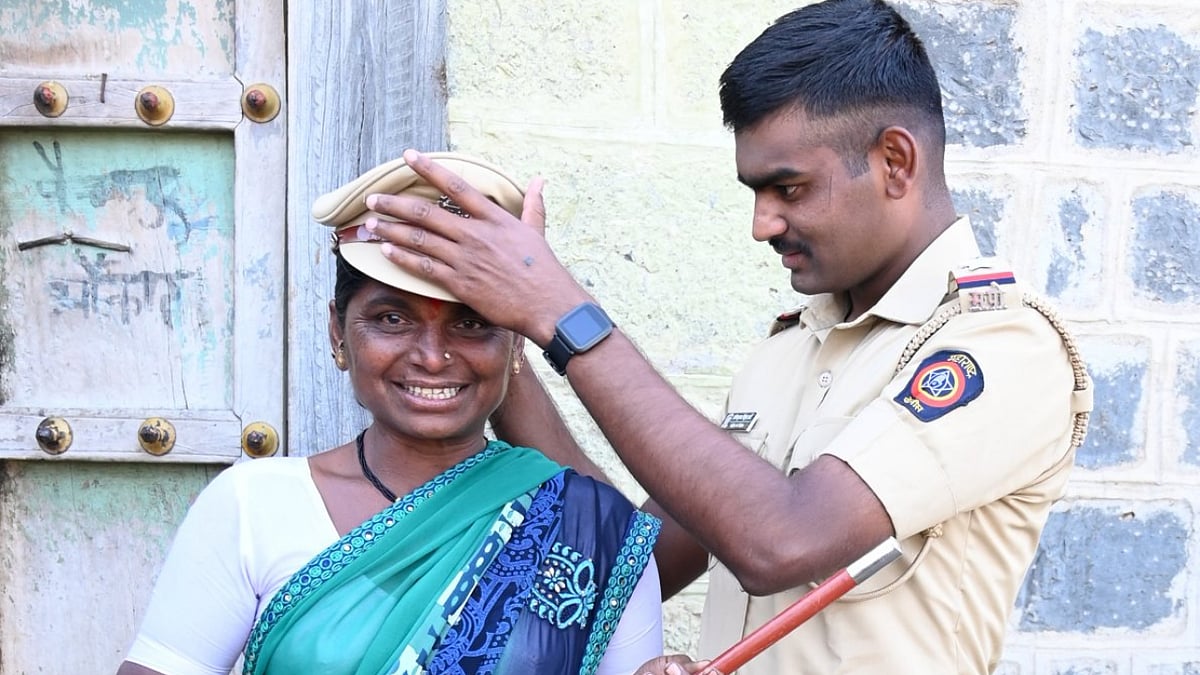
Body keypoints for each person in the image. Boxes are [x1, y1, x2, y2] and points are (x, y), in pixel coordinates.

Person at [360, 1, 1094, 673]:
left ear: (895, 161)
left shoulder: (1002, 345)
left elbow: (780, 541)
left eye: (789, 188)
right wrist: (505, 333)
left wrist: (560, 310)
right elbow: (630, 561)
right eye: (755, 192)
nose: (762, 224)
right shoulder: (788, 349)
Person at [116, 153, 664, 675]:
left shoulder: (592, 532)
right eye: (392, 318)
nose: (431, 355)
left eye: (471, 323)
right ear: (338, 332)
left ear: (517, 344)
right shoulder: (251, 507)